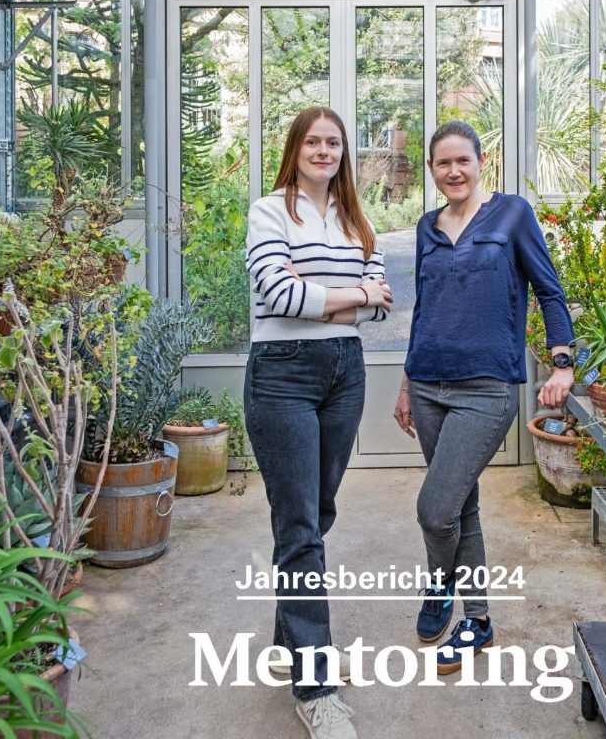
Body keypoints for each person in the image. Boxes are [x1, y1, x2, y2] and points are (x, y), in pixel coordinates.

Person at [393, 120, 574, 674]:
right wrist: (405, 381)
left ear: (481, 161)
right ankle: (477, 618)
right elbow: (423, 308)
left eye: (462, 161)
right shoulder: (426, 226)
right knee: (460, 505)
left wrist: (563, 362)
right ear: (432, 169)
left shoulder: (512, 213)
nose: (453, 171)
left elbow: (549, 289)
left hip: (486, 387)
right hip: (427, 384)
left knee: (434, 508)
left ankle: (441, 582)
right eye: (442, 163)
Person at [244, 106, 392, 739]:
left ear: (343, 153)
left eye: (334, 143)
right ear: (295, 148)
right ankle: (316, 684)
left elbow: (382, 299)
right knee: (301, 525)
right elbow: (278, 296)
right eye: (314, 141)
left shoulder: (356, 219)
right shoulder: (269, 211)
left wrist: (341, 300)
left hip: (344, 371)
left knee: (318, 511)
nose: (325, 151)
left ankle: (293, 634)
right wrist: (353, 296)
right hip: (281, 373)